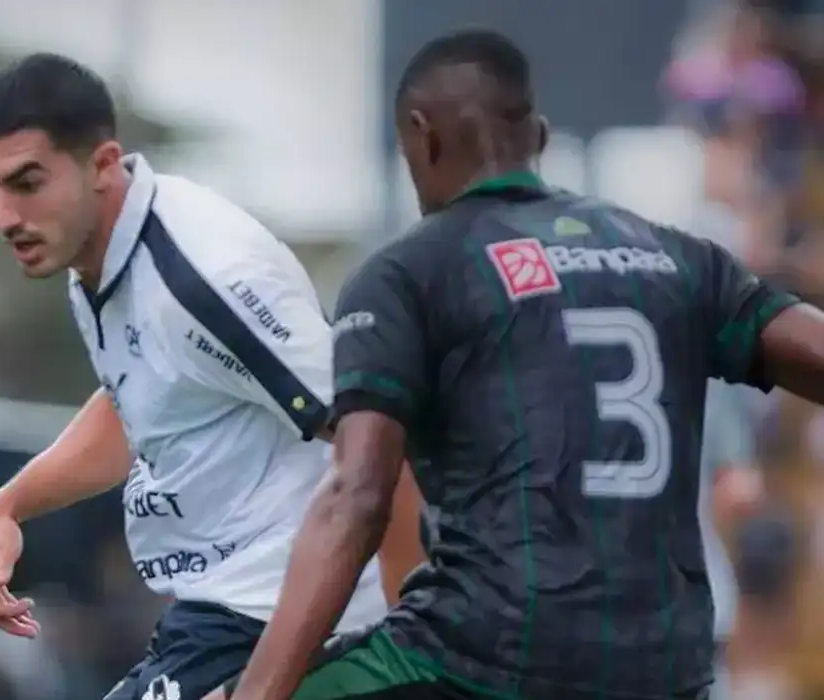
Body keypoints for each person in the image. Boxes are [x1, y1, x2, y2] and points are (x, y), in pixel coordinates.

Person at [214, 28, 824, 700]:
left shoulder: (407, 273)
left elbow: (356, 498)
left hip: (484, 659)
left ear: (421, 137)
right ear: (538, 137)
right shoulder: (679, 257)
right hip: (668, 671)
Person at [0, 53, 424, 700]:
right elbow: (143, 405)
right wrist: (9, 504)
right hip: (216, 617)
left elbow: (386, 450)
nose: (5, 217)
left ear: (103, 165)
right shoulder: (97, 258)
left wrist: (414, 655)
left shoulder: (206, 277)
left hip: (293, 621)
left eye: (26, 183)